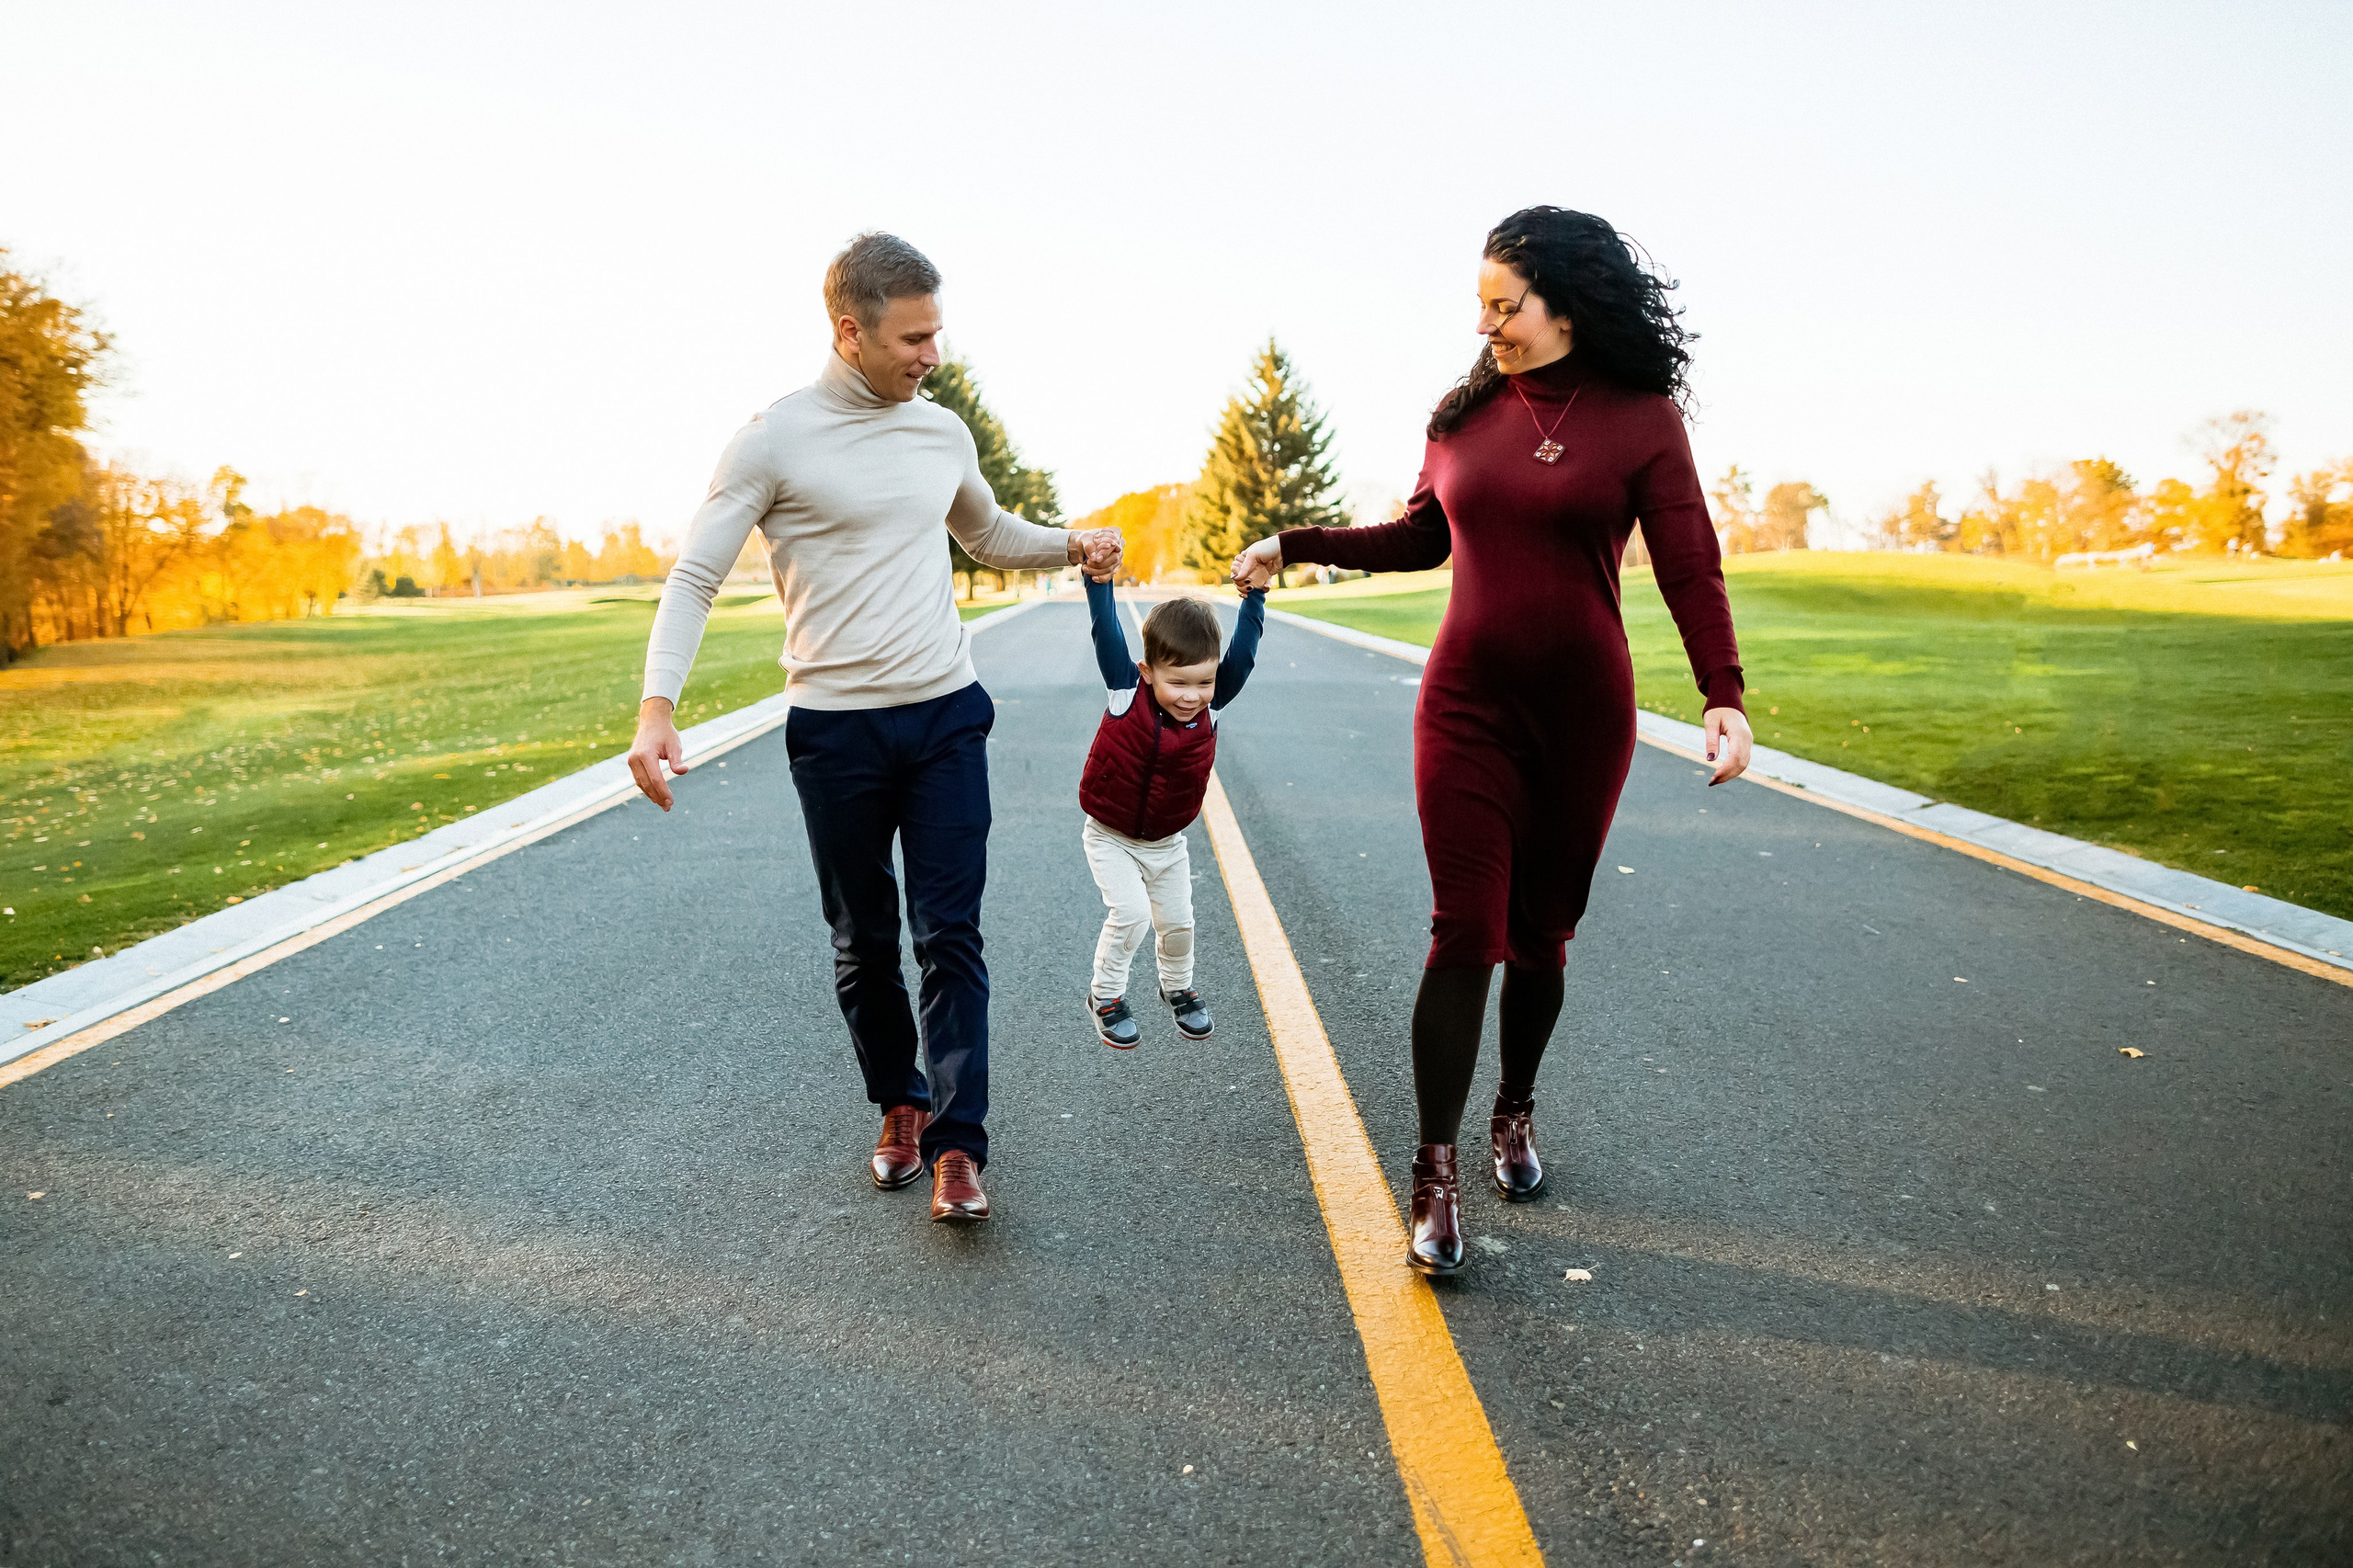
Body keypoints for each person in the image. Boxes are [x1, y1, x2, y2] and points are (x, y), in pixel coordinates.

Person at [1231, 207, 1753, 1275]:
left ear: (1564, 301)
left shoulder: (1642, 418)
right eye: (1481, 305)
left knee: (1543, 935)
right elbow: (1422, 532)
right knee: (1464, 928)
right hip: (1465, 704)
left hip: (1583, 714)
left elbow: (1690, 562)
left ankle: (1512, 1110)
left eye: (1502, 304)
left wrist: (1722, 691)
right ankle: (1433, 1169)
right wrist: (1296, 541)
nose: (1485, 325)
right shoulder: (1463, 412)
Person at [627, 232, 1122, 1225]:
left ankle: (956, 1142)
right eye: (912, 337)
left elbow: (985, 532)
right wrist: (657, 706)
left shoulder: (939, 432)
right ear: (848, 331)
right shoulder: (772, 438)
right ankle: (897, 1100)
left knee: (950, 933)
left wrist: (1070, 541)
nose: (931, 355)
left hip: (945, 716)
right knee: (862, 941)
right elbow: (695, 576)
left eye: (937, 333)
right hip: (835, 733)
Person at [1075, 571, 1267, 1049]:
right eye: (1177, 682)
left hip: (1167, 844)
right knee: (1132, 914)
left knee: (1179, 922)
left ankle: (1177, 987)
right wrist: (1099, 582)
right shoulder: (1125, 690)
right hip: (1111, 835)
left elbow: (1241, 655)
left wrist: (1255, 597)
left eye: (1203, 682)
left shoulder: (1211, 705)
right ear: (1147, 672)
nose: (1191, 696)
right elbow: (1106, 630)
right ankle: (1106, 996)